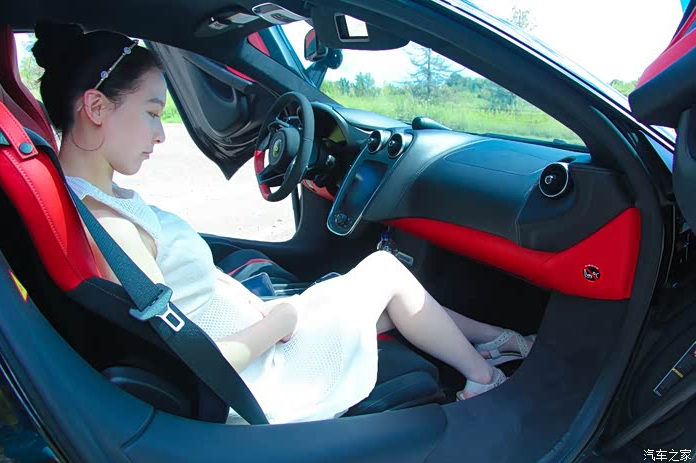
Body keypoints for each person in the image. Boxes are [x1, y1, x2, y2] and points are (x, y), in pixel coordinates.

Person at [32, 21, 535, 424]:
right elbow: (188, 359)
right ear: (96, 107)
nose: (160, 134)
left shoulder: (100, 199)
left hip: (255, 335)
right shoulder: (111, 226)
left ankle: (499, 339)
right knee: (384, 272)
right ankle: (486, 378)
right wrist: (278, 323)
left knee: (380, 296)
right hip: (260, 375)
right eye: (151, 112)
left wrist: (268, 314)